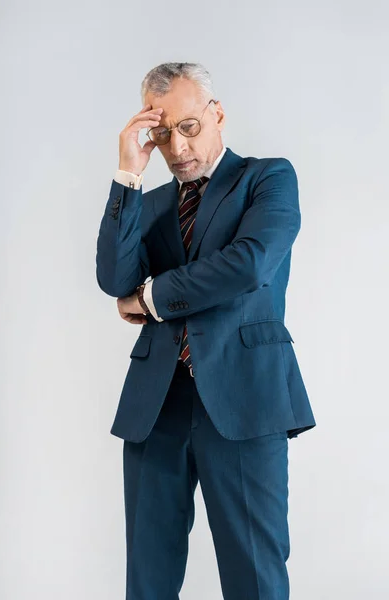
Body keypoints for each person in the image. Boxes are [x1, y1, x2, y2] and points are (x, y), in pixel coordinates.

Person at [95, 61, 316, 600]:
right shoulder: (149, 203)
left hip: (246, 398)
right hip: (158, 404)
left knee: (255, 575)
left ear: (217, 114)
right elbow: (112, 277)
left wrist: (151, 297)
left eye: (189, 127)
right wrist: (128, 172)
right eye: (163, 133)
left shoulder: (268, 178)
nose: (177, 148)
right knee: (147, 577)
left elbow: (250, 264)